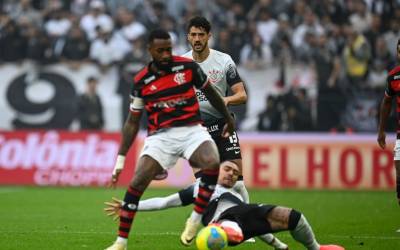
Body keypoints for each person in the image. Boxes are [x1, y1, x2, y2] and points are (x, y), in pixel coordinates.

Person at [105, 29, 235, 250]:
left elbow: (212, 94)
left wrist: (227, 117)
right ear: (150, 50)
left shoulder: (188, 68)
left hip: (192, 130)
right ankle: (121, 243)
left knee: (212, 162)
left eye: (168, 49)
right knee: (136, 183)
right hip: (160, 137)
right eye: (160, 50)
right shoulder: (141, 80)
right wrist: (120, 160)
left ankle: (194, 220)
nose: (166, 55)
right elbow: (132, 122)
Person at [104, 161, 344, 250]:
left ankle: (316, 248)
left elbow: (261, 230)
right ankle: (216, 234)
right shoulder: (200, 187)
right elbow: (164, 202)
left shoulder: (237, 193)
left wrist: (280, 246)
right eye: (227, 169)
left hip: (243, 215)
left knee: (293, 217)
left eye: (235, 172)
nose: (231, 174)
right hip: (224, 217)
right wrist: (130, 206)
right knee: (231, 226)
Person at [181, 16, 250, 204]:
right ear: (188, 37)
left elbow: (241, 95)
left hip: (223, 127)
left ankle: (247, 226)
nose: (197, 39)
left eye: (201, 35)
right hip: (197, 132)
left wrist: (225, 100)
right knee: (206, 186)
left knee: (237, 185)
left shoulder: (224, 61)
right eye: (193, 35)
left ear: (209, 36)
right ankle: (221, 223)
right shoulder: (181, 64)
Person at [377, 39, 400, 222]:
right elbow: (386, 103)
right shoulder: (394, 77)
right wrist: (381, 130)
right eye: (399, 51)